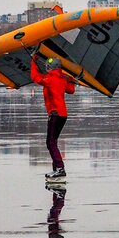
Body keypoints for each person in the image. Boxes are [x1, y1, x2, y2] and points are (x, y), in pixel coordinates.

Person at [30, 51, 76, 182]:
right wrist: (71, 80)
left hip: (55, 114)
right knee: (52, 142)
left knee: (50, 143)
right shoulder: (62, 79)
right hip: (62, 115)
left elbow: (35, 77)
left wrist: (33, 61)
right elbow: (71, 90)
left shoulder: (50, 79)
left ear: (50, 68)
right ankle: (57, 169)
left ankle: (60, 169)